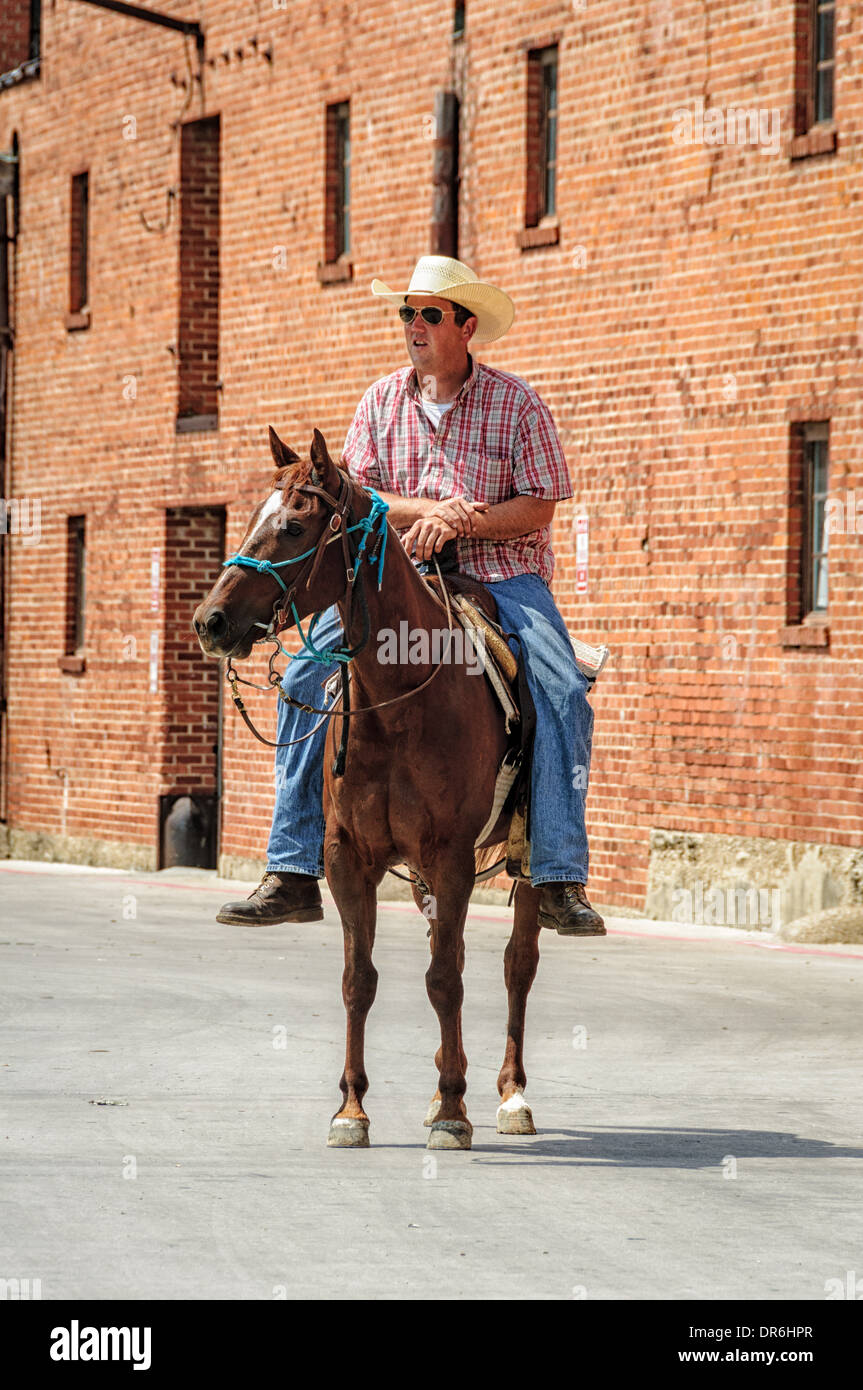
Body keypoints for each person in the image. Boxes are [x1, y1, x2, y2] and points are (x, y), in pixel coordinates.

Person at [218, 255, 605, 937]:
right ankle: (292, 868)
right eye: (407, 313)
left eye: (429, 314)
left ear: (465, 325)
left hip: (500, 575)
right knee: (306, 672)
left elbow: (540, 506)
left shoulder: (517, 403)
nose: (414, 325)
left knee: (562, 686)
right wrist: (430, 507)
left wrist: (464, 519)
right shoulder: (378, 401)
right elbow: (356, 500)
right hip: (395, 577)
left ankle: (554, 874)